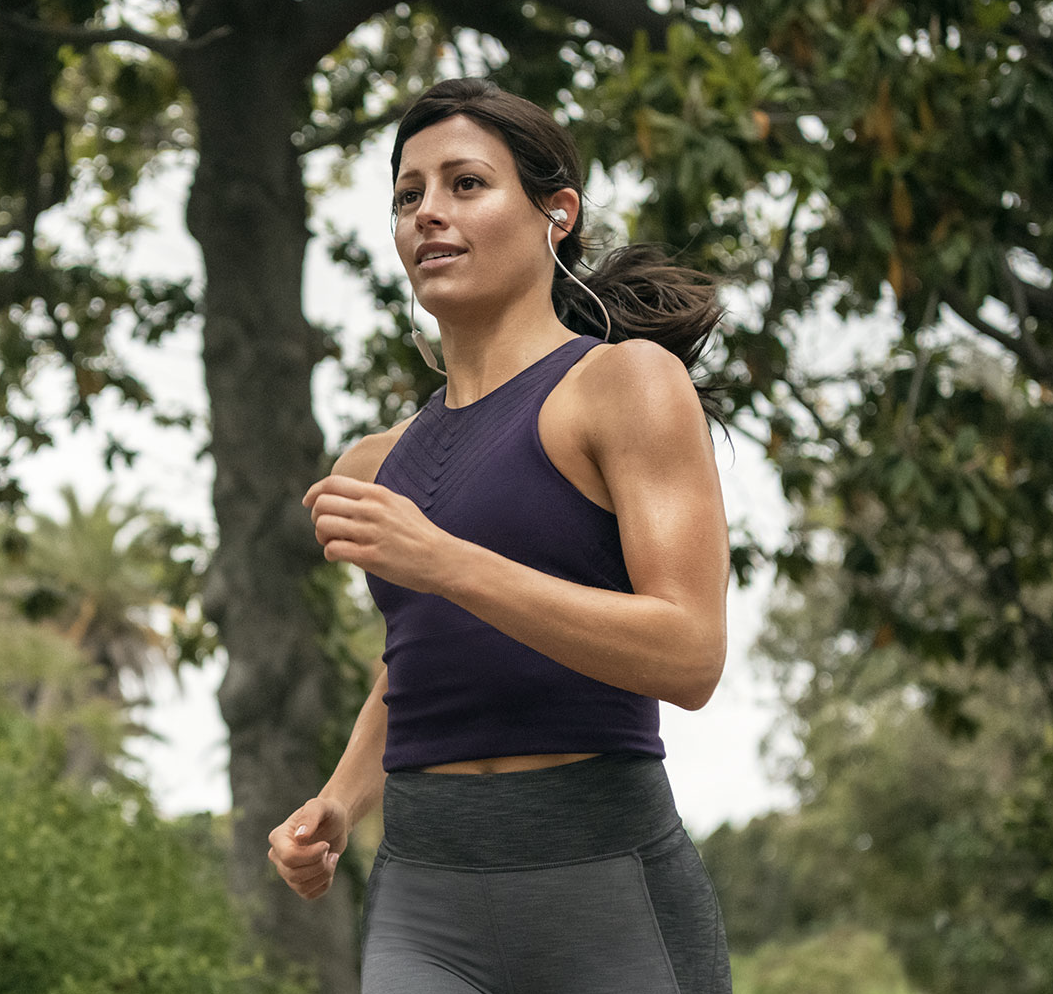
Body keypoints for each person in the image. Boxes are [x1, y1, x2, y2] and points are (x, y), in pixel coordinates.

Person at [264, 77, 734, 994]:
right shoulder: (375, 463)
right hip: (423, 901)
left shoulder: (624, 385)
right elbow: (418, 663)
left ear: (555, 214)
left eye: (465, 184)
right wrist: (340, 801)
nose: (429, 214)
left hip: (608, 892)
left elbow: (690, 655)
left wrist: (445, 562)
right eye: (409, 195)